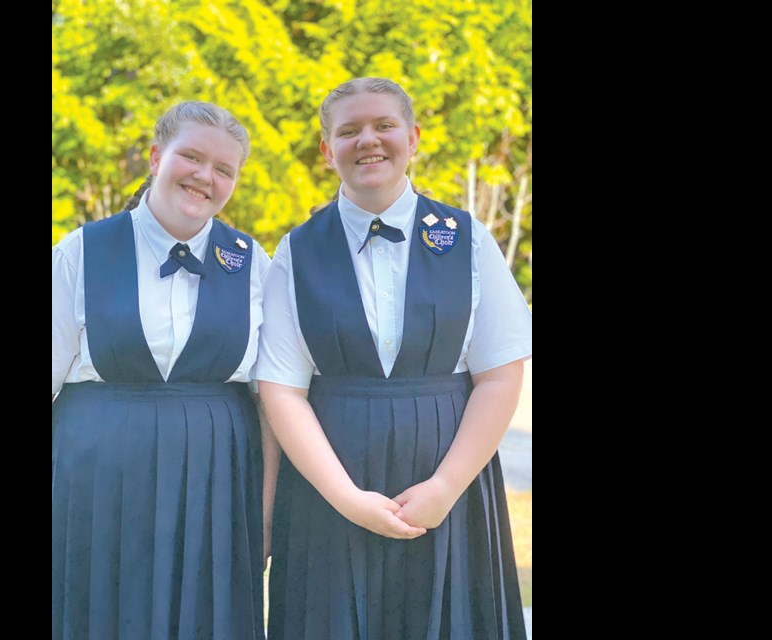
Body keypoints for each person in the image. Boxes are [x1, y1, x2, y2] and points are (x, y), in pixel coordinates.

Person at [258, 78, 531, 639]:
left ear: (413, 135)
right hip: (329, 489)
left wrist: (445, 488)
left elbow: (500, 374)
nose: (368, 141)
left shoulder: (467, 237)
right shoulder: (296, 250)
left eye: (383, 125)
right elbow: (282, 389)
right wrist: (346, 499)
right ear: (325, 147)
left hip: (448, 485)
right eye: (349, 130)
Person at [52, 102, 270, 640]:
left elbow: (273, 400)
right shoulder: (81, 251)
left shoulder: (253, 263)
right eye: (191, 157)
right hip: (93, 482)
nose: (205, 177)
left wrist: (263, 516)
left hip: (217, 487)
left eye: (224, 169)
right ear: (155, 157)